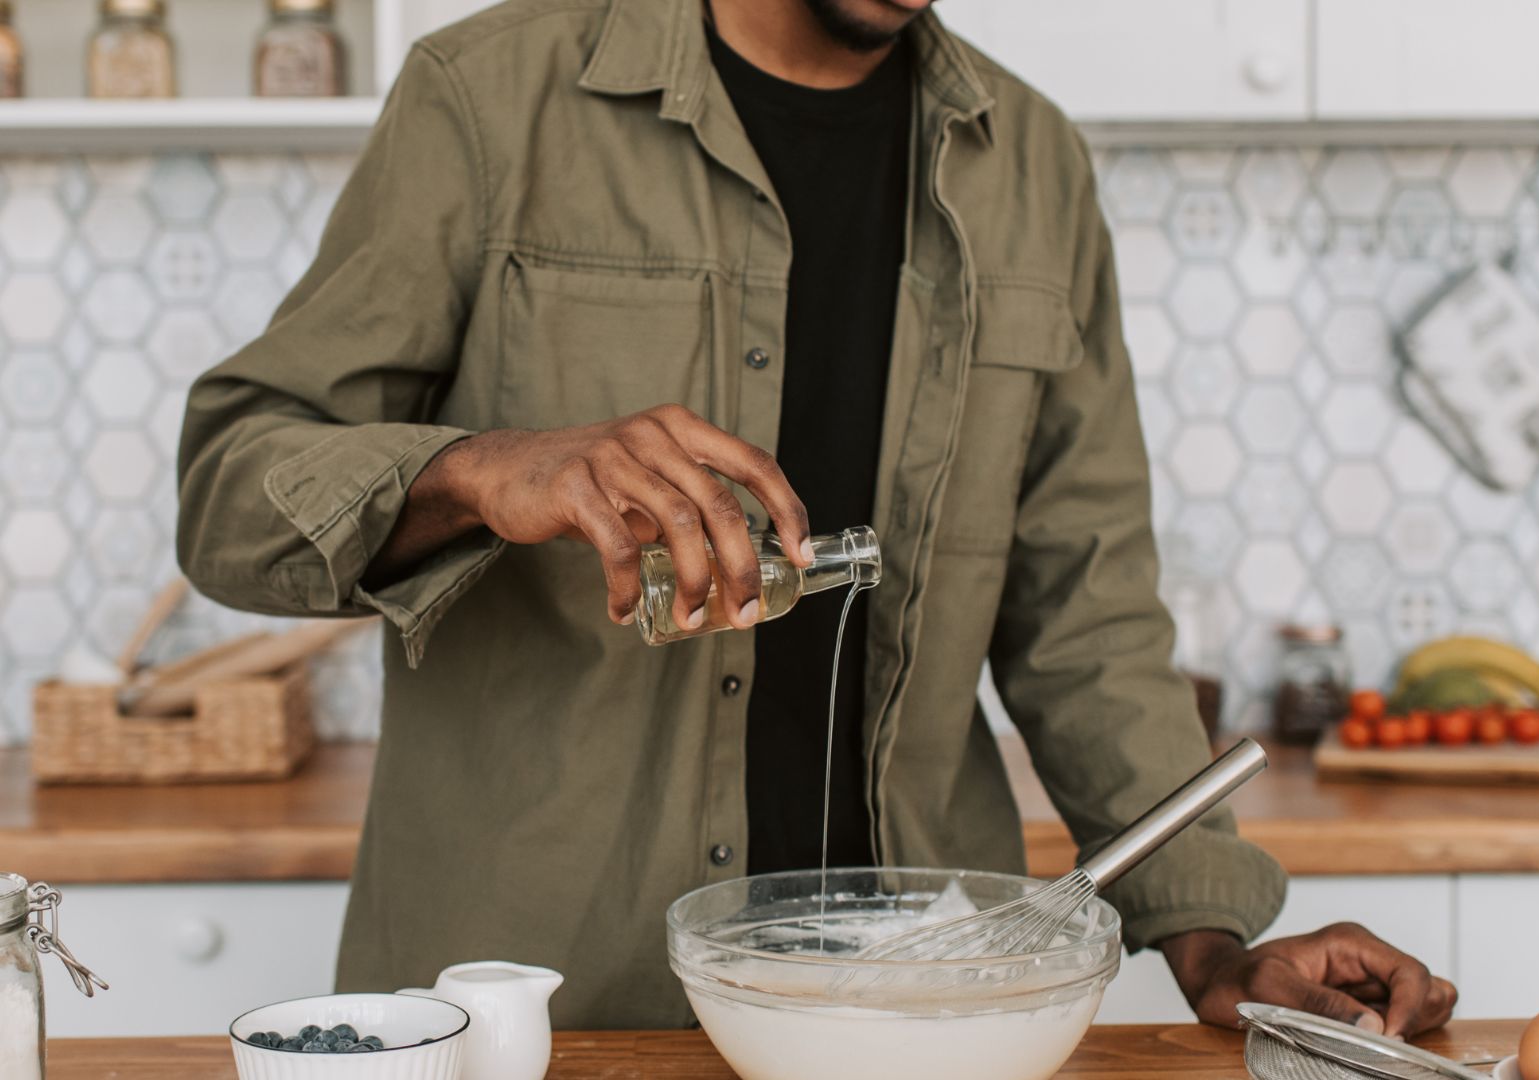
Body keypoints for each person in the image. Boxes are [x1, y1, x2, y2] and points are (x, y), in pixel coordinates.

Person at [176, 0, 1457, 1035]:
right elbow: (231, 493)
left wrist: (1210, 942)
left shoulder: (1035, 164)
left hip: (920, 1012)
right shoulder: (489, 96)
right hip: (545, 1006)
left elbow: (1088, 619)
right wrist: (481, 471)